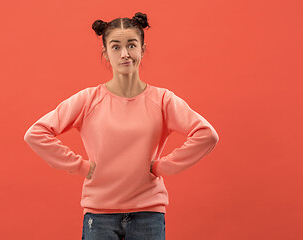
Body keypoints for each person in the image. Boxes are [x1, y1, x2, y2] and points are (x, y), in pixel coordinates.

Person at [24, 12, 219, 240]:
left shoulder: (163, 100)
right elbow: (36, 133)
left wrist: (163, 167)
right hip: (99, 215)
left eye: (132, 45)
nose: (125, 54)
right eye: (116, 47)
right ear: (106, 53)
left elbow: (207, 135)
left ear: (142, 50)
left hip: (148, 214)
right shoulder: (89, 99)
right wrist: (80, 167)